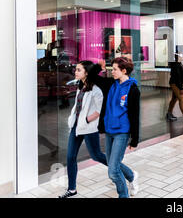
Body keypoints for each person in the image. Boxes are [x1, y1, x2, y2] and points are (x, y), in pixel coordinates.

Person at [90, 57, 140, 198]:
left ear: (124, 71)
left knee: (112, 171)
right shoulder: (111, 85)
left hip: (122, 133)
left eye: (115, 70)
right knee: (113, 163)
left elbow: (135, 116)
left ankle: (123, 195)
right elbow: (93, 77)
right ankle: (132, 176)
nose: (112, 72)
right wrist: (99, 67)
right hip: (109, 130)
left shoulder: (133, 90)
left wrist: (135, 139)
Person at [58, 61, 108, 198]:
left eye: (79, 70)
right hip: (76, 126)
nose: (75, 72)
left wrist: (86, 120)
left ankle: (121, 170)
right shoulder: (81, 86)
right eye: (76, 69)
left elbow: (99, 110)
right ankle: (72, 189)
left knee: (96, 155)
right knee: (70, 157)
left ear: (86, 72)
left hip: (89, 128)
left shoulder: (96, 90)